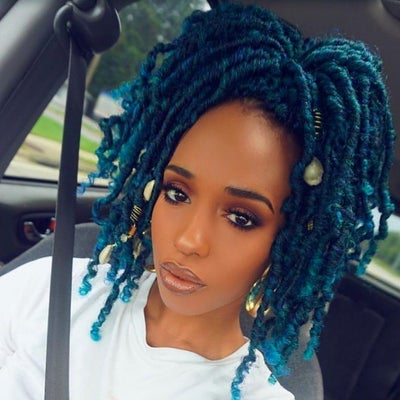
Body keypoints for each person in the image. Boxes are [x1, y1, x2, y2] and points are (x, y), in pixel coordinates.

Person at [0, 3, 396, 400]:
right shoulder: (50, 291)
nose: (190, 240)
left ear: (290, 238)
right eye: (177, 193)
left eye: (241, 218)